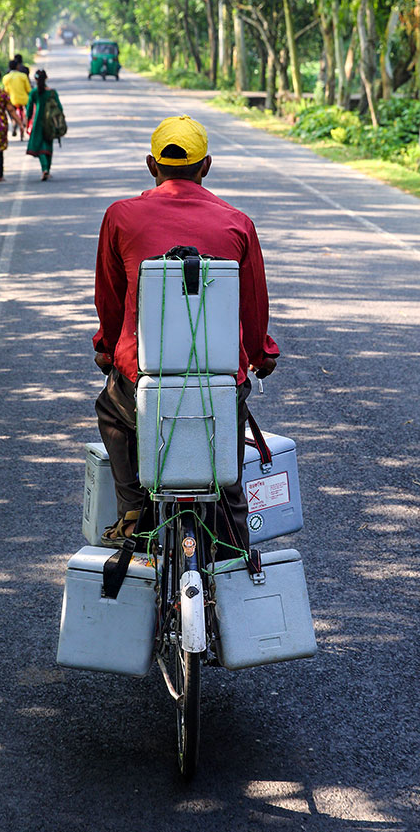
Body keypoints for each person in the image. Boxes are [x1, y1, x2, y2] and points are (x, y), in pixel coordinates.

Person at [92, 115, 280, 545]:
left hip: (143, 372)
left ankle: (133, 510)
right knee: (225, 469)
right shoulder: (237, 222)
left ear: (150, 164)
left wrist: (106, 346)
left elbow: (111, 298)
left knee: (113, 411)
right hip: (218, 377)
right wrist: (259, 354)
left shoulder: (120, 216)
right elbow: (251, 307)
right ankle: (233, 540)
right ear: (207, 166)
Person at [25, 69, 61, 181]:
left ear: (35, 79)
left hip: (38, 122)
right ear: (46, 78)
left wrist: (26, 123)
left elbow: (29, 110)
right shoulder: (52, 93)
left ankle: (44, 168)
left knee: (40, 146)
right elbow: (59, 108)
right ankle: (47, 169)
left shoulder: (34, 93)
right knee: (48, 145)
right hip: (50, 123)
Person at [1, 58, 31, 140]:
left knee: (10, 110)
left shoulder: (6, 78)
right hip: (24, 100)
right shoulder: (23, 76)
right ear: (17, 67)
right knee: (28, 110)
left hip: (12, 100)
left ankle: (14, 121)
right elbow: (28, 90)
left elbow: (6, 91)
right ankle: (25, 121)